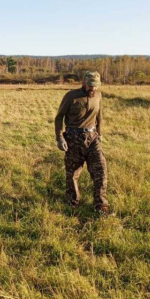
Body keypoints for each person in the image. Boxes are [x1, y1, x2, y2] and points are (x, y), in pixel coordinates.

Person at [55, 71, 112, 216]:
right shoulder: (71, 96)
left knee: (100, 170)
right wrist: (60, 138)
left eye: (96, 86)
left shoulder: (98, 96)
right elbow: (59, 117)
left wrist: (100, 134)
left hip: (92, 138)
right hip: (73, 138)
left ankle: (101, 207)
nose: (93, 89)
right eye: (91, 85)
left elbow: (99, 116)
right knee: (72, 173)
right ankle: (72, 203)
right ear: (84, 82)